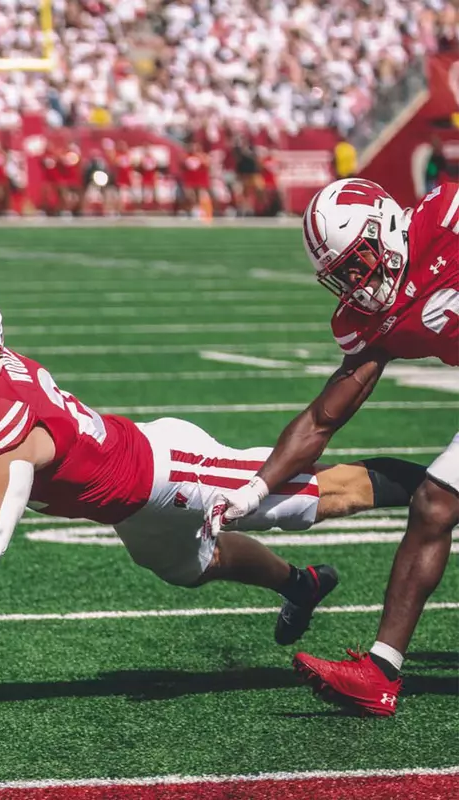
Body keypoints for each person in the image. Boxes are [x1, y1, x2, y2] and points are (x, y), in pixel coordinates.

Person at [0, 286, 422, 649]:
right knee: (193, 567)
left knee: (312, 500)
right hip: (127, 509)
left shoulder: (7, 428)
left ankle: (436, 487)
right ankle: (301, 584)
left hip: (173, 471)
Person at [205, 178, 458, 716]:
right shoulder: (370, 317)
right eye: (342, 274)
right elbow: (324, 417)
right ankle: (380, 673)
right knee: (436, 503)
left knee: (436, 501)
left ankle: (380, 671)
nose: (357, 281)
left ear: (384, 226)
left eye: (358, 260)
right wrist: (255, 489)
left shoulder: (447, 216)